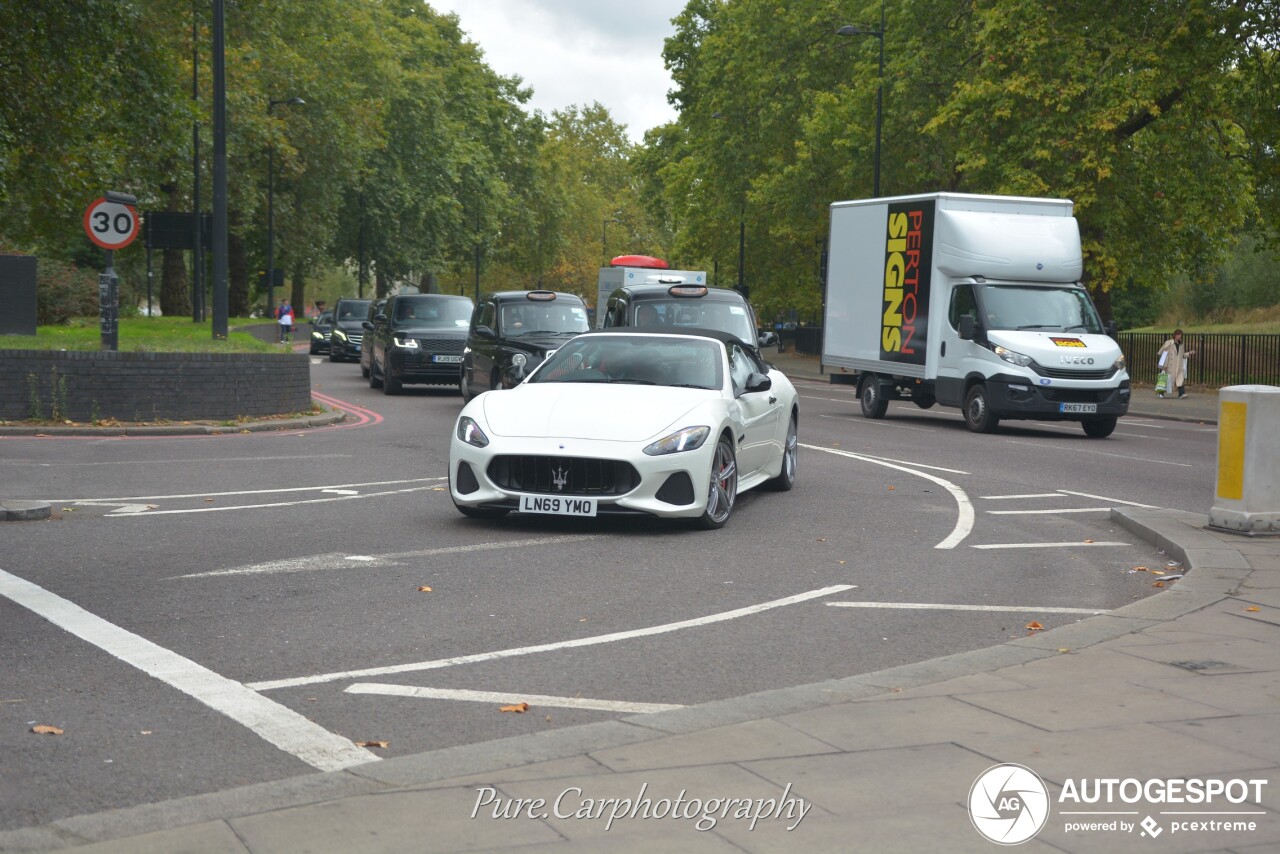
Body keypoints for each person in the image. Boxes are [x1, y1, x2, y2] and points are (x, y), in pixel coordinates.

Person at [1156, 328, 1195, 399]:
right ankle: (1160, 393)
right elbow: (1162, 351)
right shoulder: (1169, 343)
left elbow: (1182, 355)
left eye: (1180, 335)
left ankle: (1181, 394)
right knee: (1167, 380)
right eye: (1178, 335)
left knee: (1180, 379)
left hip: (1178, 365)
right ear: (1175, 335)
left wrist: (1189, 353)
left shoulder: (1181, 344)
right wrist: (1163, 363)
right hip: (1170, 365)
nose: (1180, 336)